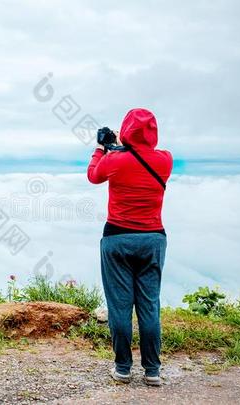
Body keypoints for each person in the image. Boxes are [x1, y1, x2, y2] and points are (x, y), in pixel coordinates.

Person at [87, 108, 172, 386]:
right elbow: (140, 154)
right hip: (153, 239)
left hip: (117, 239)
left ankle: (123, 368)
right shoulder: (165, 160)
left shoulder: (115, 160)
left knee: (120, 306)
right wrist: (120, 147)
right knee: (149, 306)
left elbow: (94, 176)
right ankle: (152, 371)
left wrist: (102, 148)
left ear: (126, 130)